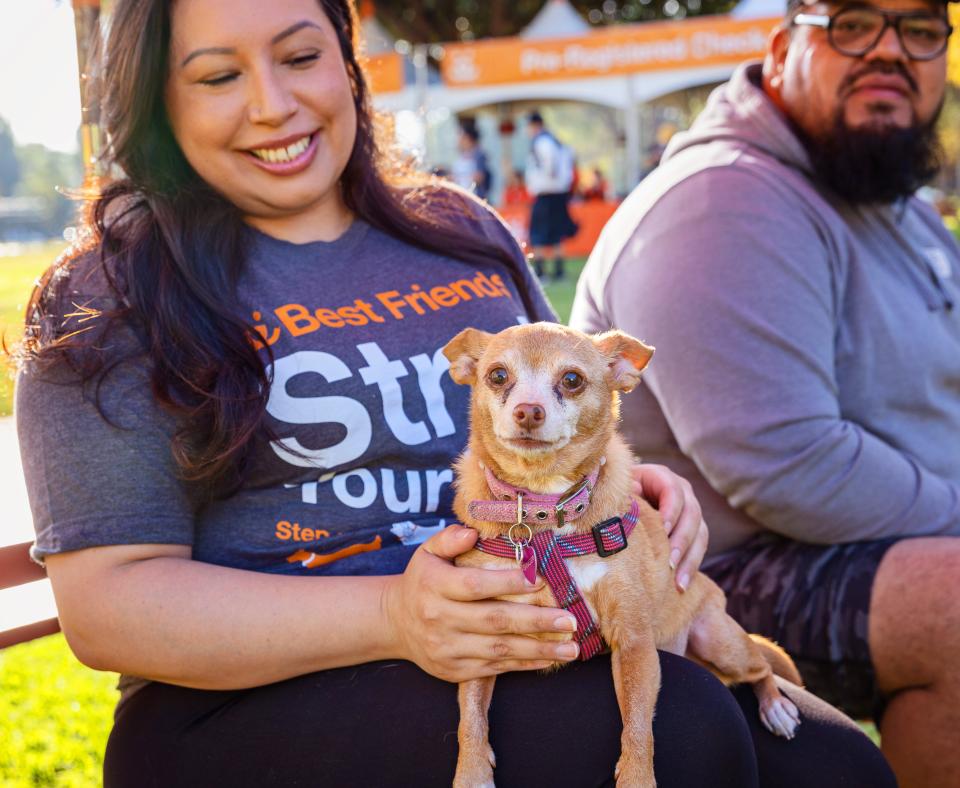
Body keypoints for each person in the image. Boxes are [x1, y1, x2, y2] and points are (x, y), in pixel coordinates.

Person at [15, 0, 895, 785]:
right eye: (217, 75)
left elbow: (567, 397)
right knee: (691, 736)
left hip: (529, 629)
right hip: (246, 697)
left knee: (837, 766)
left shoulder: (458, 231)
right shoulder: (108, 296)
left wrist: (631, 484)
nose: (272, 104)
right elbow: (108, 609)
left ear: (347, 63)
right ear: (156, 102)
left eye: (298, 56)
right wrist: (397, 615)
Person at [572, 0, 959, 785]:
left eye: (920, 30)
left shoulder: (895, 206)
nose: (890, 51)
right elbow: (786, 464)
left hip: (871, 534)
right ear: (781, 49)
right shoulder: (722, 204)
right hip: (700, 574)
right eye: (853, 23)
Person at [524, 110, 578, 281]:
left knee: (539, 233)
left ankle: (541, 271)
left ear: (534, 125)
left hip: (546, 192)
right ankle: (558, 271)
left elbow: (550, 165)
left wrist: (549, 176)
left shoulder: (542, 141)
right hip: (558, 192)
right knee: (556, 233)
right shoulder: (555, 141)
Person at [451, 119, 492, 201]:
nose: (459, 140)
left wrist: (461, 179)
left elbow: (479, 177)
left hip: (474, 198)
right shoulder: (462, 156)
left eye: (461, 136)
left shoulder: (479, 155)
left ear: (468, 138)